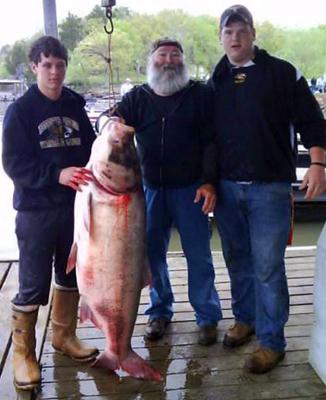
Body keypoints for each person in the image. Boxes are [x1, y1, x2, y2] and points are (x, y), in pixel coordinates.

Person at [208, 4, 326, 374]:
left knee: (268, 267)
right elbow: (207, 136)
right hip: (227, 190)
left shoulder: (283, 73)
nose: (235, 38)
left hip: (270, 189)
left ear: (253, 34)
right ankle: (246, 320)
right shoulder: (218, 78)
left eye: (242, 30)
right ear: (221, 37)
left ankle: (272, 341)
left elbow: (312, 121)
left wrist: (319, 165)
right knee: (237, 260)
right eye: (228, 32)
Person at [97, 37, 223, 345]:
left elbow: (212, 142)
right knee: (153, 257)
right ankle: (159, 311)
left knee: (199, 256)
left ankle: (207, 316)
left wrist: (209, 181)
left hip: (191, 189)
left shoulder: (200, 94)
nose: (168, 60)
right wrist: (109, 124)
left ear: (183, 61)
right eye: (162, 55)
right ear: (151, 61)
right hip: (148, 191)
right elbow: (105, 119)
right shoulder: (137, 97)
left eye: (175, 55)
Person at [2, 36, 98, 391]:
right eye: (47, 65)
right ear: (34, 67)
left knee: (70, 274)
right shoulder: (21, 111)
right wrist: (55, 174)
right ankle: (23, 355)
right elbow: (13, 164)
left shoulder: (75, 104)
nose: (55, 72)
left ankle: (64, 336)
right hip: (36, 211)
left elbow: (91, 149)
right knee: (32, 285)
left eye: (60, 65)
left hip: (75, 208)